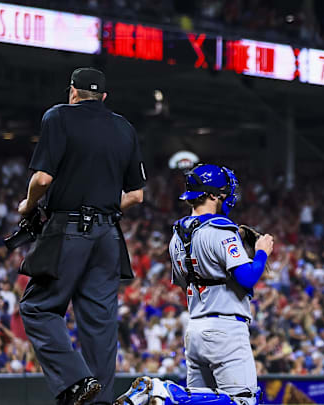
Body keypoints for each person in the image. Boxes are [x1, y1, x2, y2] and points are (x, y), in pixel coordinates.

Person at [17, 67, 146, 405]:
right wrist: (100, 205)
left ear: (72, 92)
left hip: (69, 229)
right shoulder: (124, 127)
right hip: (108, 236)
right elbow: (136, 196)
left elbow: (43, 179)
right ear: (104, 96)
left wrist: (27, 205)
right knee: (99, 325)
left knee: (37, 308)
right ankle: (98, 401)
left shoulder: (58, 116)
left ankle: (75, 381)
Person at [116, 163, 272, 405]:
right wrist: (261, 252)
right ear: (212, 195)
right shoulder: (221, 230)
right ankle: (166, 392)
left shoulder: (176, 237)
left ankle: (165, 395)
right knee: (245, 401)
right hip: (225, 329)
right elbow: (248, 277)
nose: (227, 195)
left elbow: (183, 285)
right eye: (223, 191)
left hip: (196, 327)